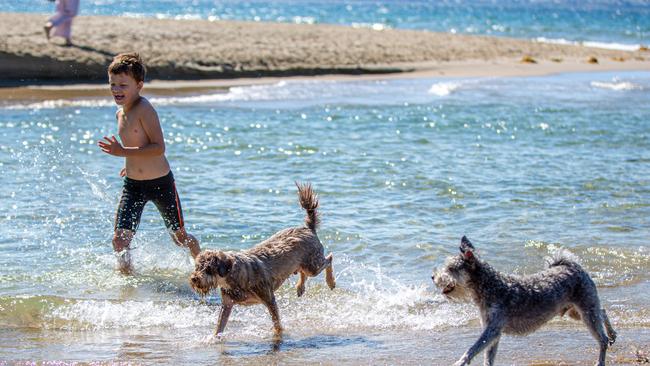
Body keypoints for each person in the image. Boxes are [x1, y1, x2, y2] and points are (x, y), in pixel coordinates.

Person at [98, 53, 201, 274]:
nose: (116, 89)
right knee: (119, 240)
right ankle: (127, 283)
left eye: (123, 85)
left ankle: (203, 268)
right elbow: (138, 144)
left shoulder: (145, 108)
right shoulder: (119, 113)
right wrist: (130, 162)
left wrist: (121, 151)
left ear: (139, 85)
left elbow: (158, 147)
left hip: (161, 183)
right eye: (112, 84)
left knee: (180, 238)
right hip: (133, 185)